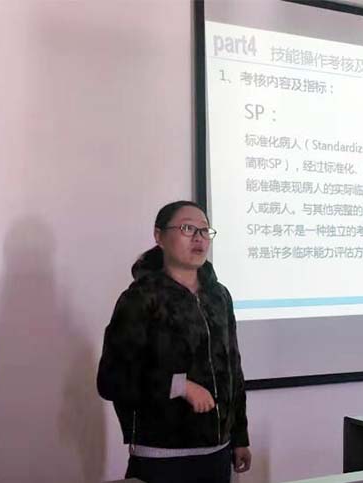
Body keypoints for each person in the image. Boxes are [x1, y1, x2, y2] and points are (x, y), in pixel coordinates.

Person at [97, 200, 251, 483]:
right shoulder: (140, 299)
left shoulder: (219, 296)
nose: (199, 238)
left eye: (204, 230)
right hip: (162, 457)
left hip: (219, 453)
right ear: (159, 236)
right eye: (187, 228)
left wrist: (240, 436)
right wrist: (179, 386)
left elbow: (233, 370)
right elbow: (111, 379)